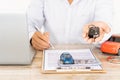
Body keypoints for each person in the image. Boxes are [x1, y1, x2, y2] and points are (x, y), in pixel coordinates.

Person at [27, 0, 113, 50]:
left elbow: (105, 22)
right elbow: (29, 23)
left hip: (91, 55)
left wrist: (100, 29)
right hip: (50, 52)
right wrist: (32, 37)